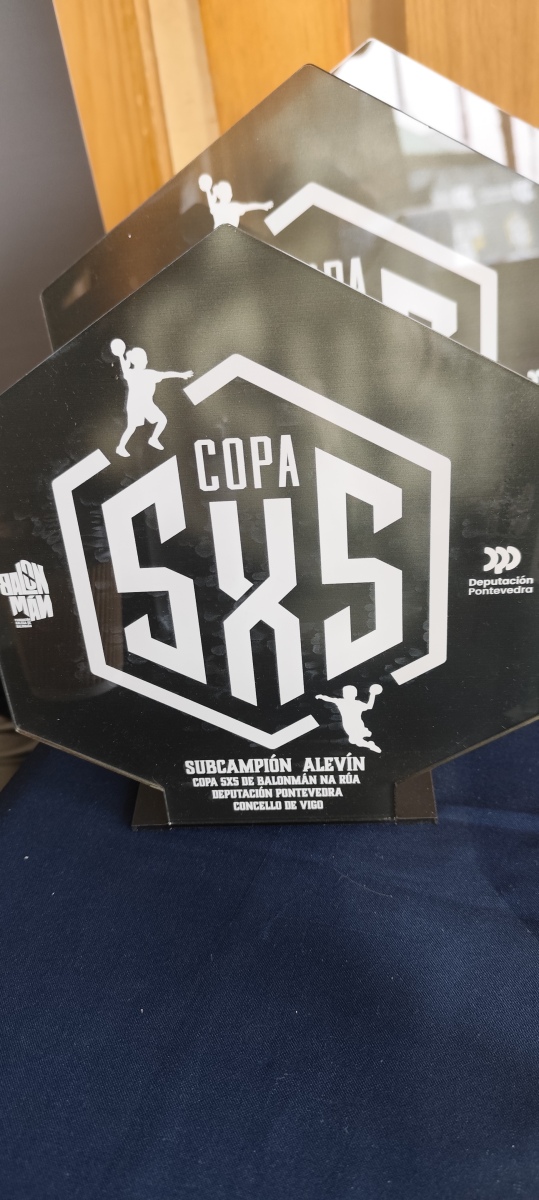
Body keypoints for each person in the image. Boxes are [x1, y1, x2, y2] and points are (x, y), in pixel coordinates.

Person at [111, 339, 193, 457]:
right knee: (133, 427)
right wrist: (181, 375)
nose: (146, 361)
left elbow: (165, 374)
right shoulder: (143, 374)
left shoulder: (137, 373)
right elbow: (166, 375)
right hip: (136, 405)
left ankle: (153, 439)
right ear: (140, 361)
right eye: (144, 359)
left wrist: (121, 356)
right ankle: (121, 447)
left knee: (160, 420)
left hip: (145, 404)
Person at [316, 684, 383, 752]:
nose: (347, 695)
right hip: (353, 725)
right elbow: (369, 706)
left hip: (352, 725)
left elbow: (329, 699)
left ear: (355, 694)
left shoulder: (344, 702)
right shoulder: (345, 702)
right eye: (346, 693)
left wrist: (373, 694)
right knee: (353, 741)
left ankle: (370, 744)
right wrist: (372, 694)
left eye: (348, 693)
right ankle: (368, 742)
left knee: (356, 741)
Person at [198, 174, 273, 229]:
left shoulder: (234, 207)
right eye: (226, 191)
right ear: (220, 195)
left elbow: (249, 206)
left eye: (229, 192)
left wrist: (263, 206)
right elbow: (211, 202)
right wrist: (208, 190)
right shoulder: (218, 207)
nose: (230, 194)